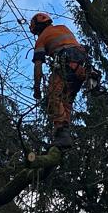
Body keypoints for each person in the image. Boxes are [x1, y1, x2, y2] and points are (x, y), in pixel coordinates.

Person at [29, 12, 88, 148]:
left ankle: (61, 133)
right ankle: (64, 136)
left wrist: (37, 88)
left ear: (37, 27)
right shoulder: (63, 28)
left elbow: (38, 66)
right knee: (66, 100)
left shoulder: (41, 39)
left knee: (53, 96)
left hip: (66, 63)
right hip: (81, 66)